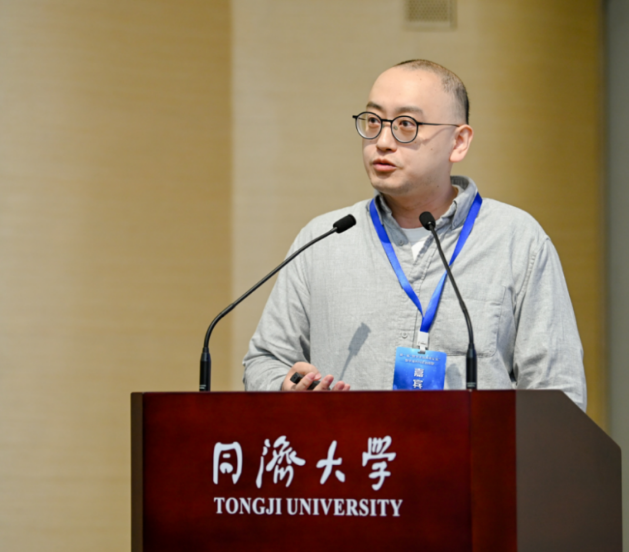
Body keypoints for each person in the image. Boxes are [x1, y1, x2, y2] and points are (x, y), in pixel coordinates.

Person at [243, 60, 587, 410]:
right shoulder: (323, 239)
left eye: (406, 124)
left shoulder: (517, 241)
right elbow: (264, 361)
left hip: (470, 448)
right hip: (351, 446)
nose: (382, 142)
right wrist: (285, 386)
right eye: (373, 121)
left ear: (458, 142)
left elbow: (558, 393)